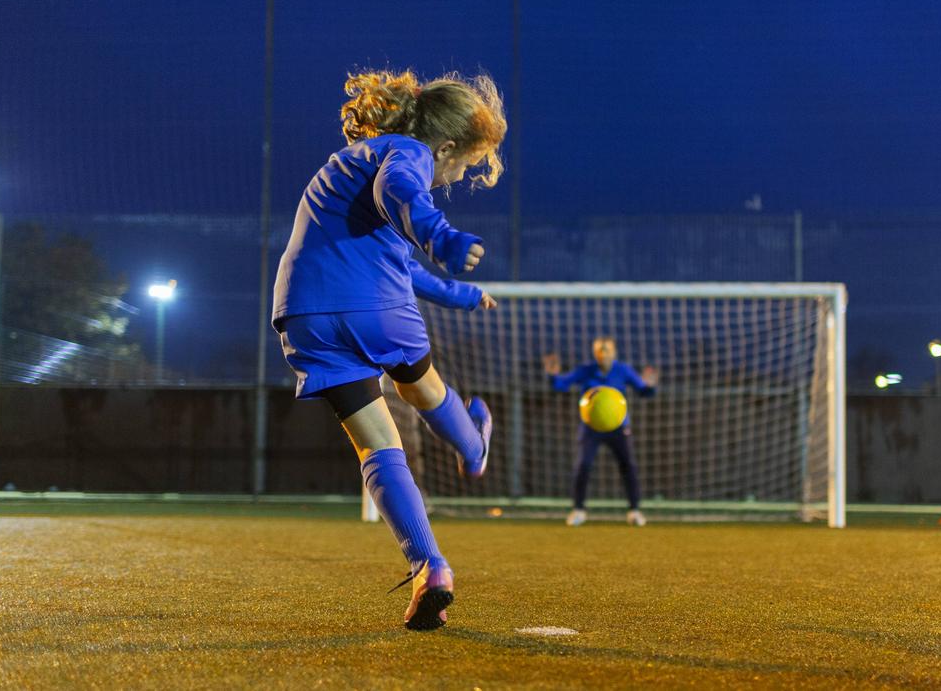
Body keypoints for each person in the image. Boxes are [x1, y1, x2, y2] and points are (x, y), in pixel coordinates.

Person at [271, 68, 505, 631]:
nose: (456, 176)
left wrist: (459, 293)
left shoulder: (348, 165)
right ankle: (473, 446)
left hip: (305, 312)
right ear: (444, 147)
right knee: (422, 387)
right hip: (376, 308)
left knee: (376, 446)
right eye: (463, 165)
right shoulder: (407, 154)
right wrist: (441, 236)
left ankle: (430, 567)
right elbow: (398, 189)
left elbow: (403, 267)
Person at [543, 337, 658, 527]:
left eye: (607, 350)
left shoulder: (623, 370)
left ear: (614, 352)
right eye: (599, 350)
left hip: (619, 427)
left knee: (628, 465)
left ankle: (635, 511)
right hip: (591, 428)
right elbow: (561, 384)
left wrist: (650, 386)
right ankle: (578, 510)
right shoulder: (586, 370)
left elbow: (643, 391)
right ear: (595, 353)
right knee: (583, 466)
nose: (603, 354)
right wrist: (553, 375)